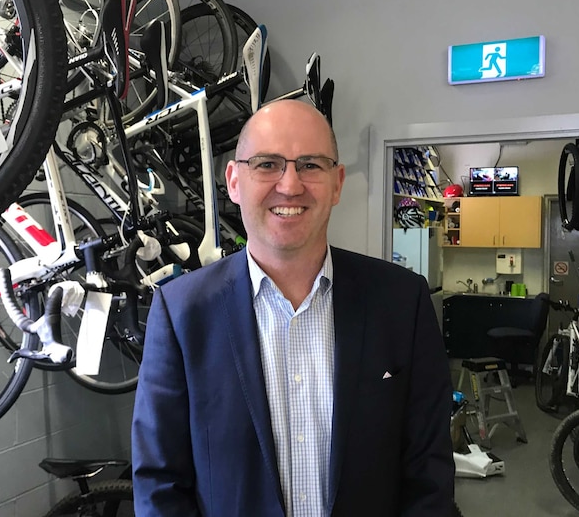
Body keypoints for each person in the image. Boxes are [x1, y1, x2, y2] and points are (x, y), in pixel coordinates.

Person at [131, 99, 453, 516]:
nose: (290, 185)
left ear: (337, 184)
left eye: (311, 165)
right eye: (266, 164)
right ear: (233, 181)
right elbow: (159, 483)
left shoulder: (402, 302)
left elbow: (429, 473)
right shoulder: (181, 313)